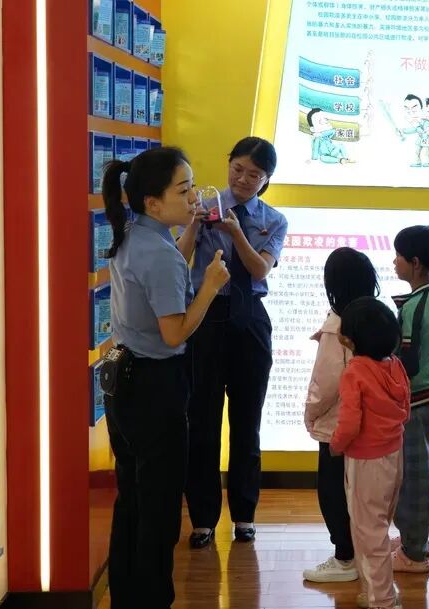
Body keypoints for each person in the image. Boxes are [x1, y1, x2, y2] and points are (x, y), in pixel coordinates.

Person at [101, 147, 229, 608]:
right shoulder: (159, 255)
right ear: (153, 202)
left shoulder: (134, 233)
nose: (194, 197)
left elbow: (168, 264)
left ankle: (129, 596)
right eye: (184, 190)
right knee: (158, 507)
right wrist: (210, 287)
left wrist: (190, 236)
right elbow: (174, 333)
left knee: (133, 500)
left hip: (125, 384)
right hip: (156, 387)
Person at [176, 136, 288, 548]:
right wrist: (194, 223)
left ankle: (244, 515)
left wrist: (237, 233)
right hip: (205, 315)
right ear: (228, 164)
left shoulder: (273, 220)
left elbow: (260, 270)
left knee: (247, 422)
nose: (242, 179)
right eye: (237, 169)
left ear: (266, 180)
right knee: (202, 421)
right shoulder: (203, 205)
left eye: (253, 175)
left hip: (250, 320)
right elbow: (178, 258)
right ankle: (203, 519)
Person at [302, 248, 381, 583]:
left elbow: (326, 383)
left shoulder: (337, 326)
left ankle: (344, 556)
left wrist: (310, 414)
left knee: (332, 490)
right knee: (364, 494)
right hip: (370, 427)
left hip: (337, 427)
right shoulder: (377, 317)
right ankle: (364, 553)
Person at [330, 297, 411, 609]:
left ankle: (382, 600)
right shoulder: (395, 365)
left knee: (369, 532)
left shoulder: (355, 372)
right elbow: (405, 410)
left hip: (366, 462)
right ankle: (376, 592)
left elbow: (350, 423)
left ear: (350, 340)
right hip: (393, 456)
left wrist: (336, 445)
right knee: (378, 526)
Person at [389, 225, 429, 572]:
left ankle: (413, 551)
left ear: (415, 263)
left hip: (415, 400)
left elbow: (409, 361)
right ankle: (414, 539)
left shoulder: (417, 305)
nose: (394, 262)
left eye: (398, 256)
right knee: (414, 473)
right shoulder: (426, 298)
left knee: (413, 478)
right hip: (422, 398)